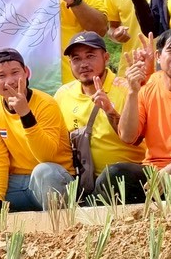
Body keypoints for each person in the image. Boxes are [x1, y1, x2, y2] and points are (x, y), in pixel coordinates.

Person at [97, 29, 171, 201]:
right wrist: (132, 92)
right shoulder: (147, 89)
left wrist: (169, 170)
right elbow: (128, 136)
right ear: (159, 56)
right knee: (112, 175)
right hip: (154, 168)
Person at [0, 48, 74, 217]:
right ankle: (10, 210)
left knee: (44, 172)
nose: (10, 81)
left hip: (52, 178)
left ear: (26, 72)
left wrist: (25, 115)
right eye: (1, 76)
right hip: (18, 181)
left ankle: (55, 222)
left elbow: (46, 156)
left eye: (15, 72)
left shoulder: (46, 104)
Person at [53, 32, 146, 194]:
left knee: (114, 174)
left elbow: (134, 138)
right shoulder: (63, 94)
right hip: (82, 178)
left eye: (90, 56)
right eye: (76, 58)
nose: (84, 64)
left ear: (106, 57)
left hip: (127, 175)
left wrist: (110, 111)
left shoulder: (128, 89)